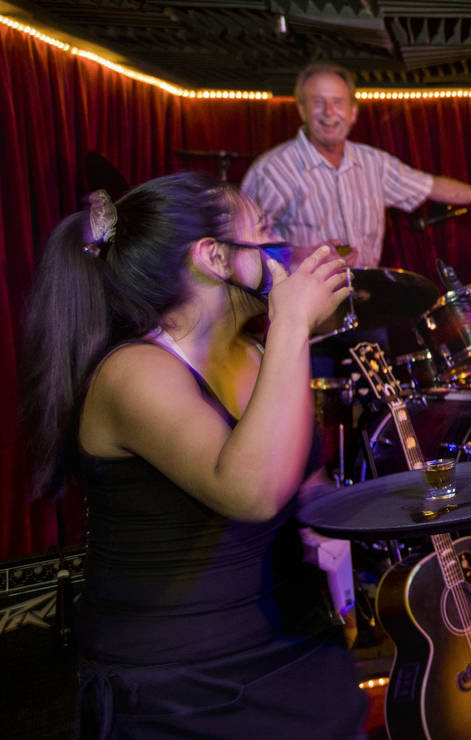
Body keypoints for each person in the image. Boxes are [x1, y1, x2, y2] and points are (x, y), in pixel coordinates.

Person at [21, 172, 367, 737]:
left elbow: (301, 481)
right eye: (264, 231)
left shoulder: (255, 352)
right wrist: (293, 325)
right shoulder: (131, 373)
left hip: (294, 647)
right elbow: (251, 492)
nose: (281, 244)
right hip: (185, 688)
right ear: (214, 256)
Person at [241, 61, 471, 269]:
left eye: (338, 102)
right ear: (302, 110)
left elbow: (434, 186)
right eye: (318, 102)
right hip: (303, 316)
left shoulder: (374, 163)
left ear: (353, 112)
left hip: (366, 305)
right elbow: (242, 248)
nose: (328, 112)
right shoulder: (272, 171)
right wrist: (303, 255)